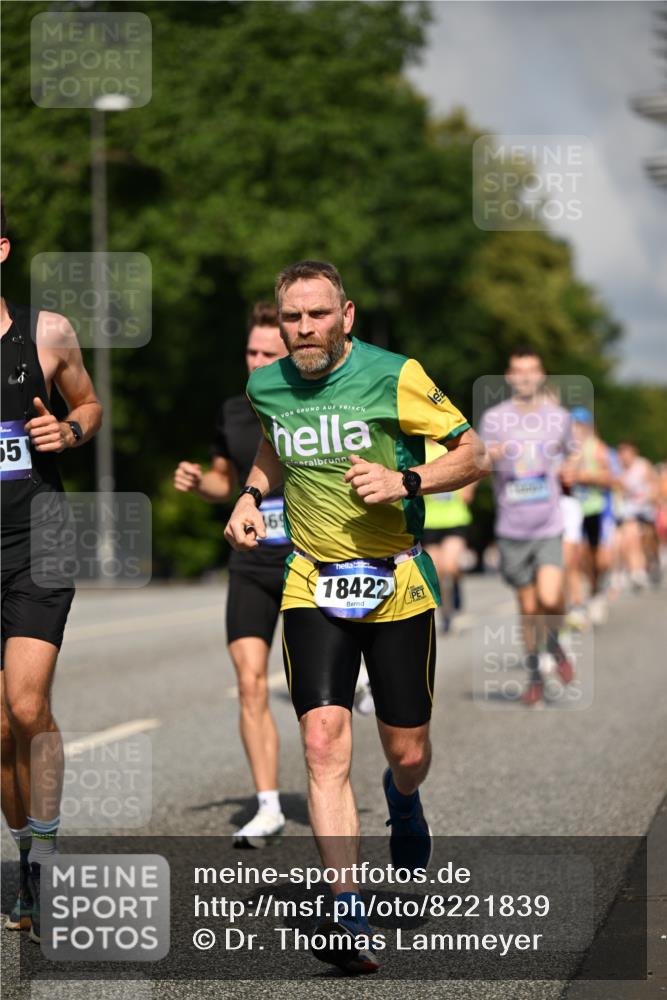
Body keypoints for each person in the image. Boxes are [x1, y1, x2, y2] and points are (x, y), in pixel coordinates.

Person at [224, 260, 488, 974]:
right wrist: (251, 495)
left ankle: (403, 803)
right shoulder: (266, 384)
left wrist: (404, 479)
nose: (304, 329)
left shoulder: (394, 374)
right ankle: (346, 907)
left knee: (405, 753)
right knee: (321, 741)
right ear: (280, 324)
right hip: (311, 579)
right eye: (292, 318)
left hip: (396, 580)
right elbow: (274, 444)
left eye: (316, 314)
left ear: (344, 314)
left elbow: (473, 453)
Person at [1, 202, 102, 942]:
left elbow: (91, 404)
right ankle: (27, 859)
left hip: (38, 539)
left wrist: (65, 430)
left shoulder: (48, 332)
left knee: (27, 706)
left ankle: (49, 858)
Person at [174, 303, 290, 847]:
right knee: (249, 682)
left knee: (321, 697)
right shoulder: (233, 410)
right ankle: (268, 808)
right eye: (252, 352)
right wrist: (202, 484)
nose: (258, 360)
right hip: (250, 565)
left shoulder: (311, 406)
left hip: (312, 564)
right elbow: (227, 482)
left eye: (270, 353)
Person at [479, 348, 575, 708]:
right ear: (508, 376)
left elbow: (570, 453)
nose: (524, 377)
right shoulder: (493, 419)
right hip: (511, 526)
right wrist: (491, 456)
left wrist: (570, 471)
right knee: (529, 606)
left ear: (541, 375)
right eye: (518, 371)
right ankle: (536, 672)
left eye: (531, 371)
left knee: (550, 599)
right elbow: (476, 460)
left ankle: (555, 644)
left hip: (548, 522)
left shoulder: (559, 418)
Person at [560, 408, 612, 626]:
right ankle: (578, 603)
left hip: (594, 508)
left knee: (598, 560)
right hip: (572, 509)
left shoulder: (597, 448)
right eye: (574, 425)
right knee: (573, 556)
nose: (577, 429)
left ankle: (596, 591)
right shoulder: (561, 448)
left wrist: (584, 476)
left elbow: (608, 478)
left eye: (581, 425)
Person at [421, 439, 475, 632]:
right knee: (436, 572)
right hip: (429, 521)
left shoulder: (452, 444)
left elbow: (474, 463)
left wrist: (469, 487)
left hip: (454, 518)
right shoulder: (418, 448)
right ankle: (446, 614)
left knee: (450, 566)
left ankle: (457, 586)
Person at [615, 441, 659, 590]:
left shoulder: (643, 466)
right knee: (627, 538)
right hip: (628, 512)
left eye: (627, 453)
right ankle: (634, 570)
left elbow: (654, 486)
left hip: (645, 509)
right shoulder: (618, 469)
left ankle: (652, 561)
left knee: (648, 540)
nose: (624, 458)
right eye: (622, 454)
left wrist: (652, 499)